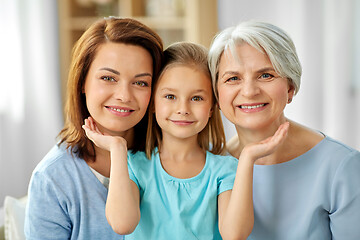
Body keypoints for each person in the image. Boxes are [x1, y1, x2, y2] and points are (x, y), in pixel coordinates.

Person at [83, 41, 290, 240]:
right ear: (153, 102)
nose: (183, 109)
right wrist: (118, 149)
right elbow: (123, 224)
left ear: (212, 107)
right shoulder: (134, 165)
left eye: (197, 98)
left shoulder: (225, 169)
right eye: (170, 97)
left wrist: (247, 159)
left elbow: (234, 235)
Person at [208, 20, 360, 240]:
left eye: (266, 75)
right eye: (233, 78)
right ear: (217, 94)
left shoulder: (341, 166)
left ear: (290, 87)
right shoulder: (210, 162)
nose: (249, 91)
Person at [24, 17, 163, 239]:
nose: (124, 96)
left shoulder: (176, 157)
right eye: (108, 78)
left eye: (140, 82)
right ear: (82, 82)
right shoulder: (52, 178)